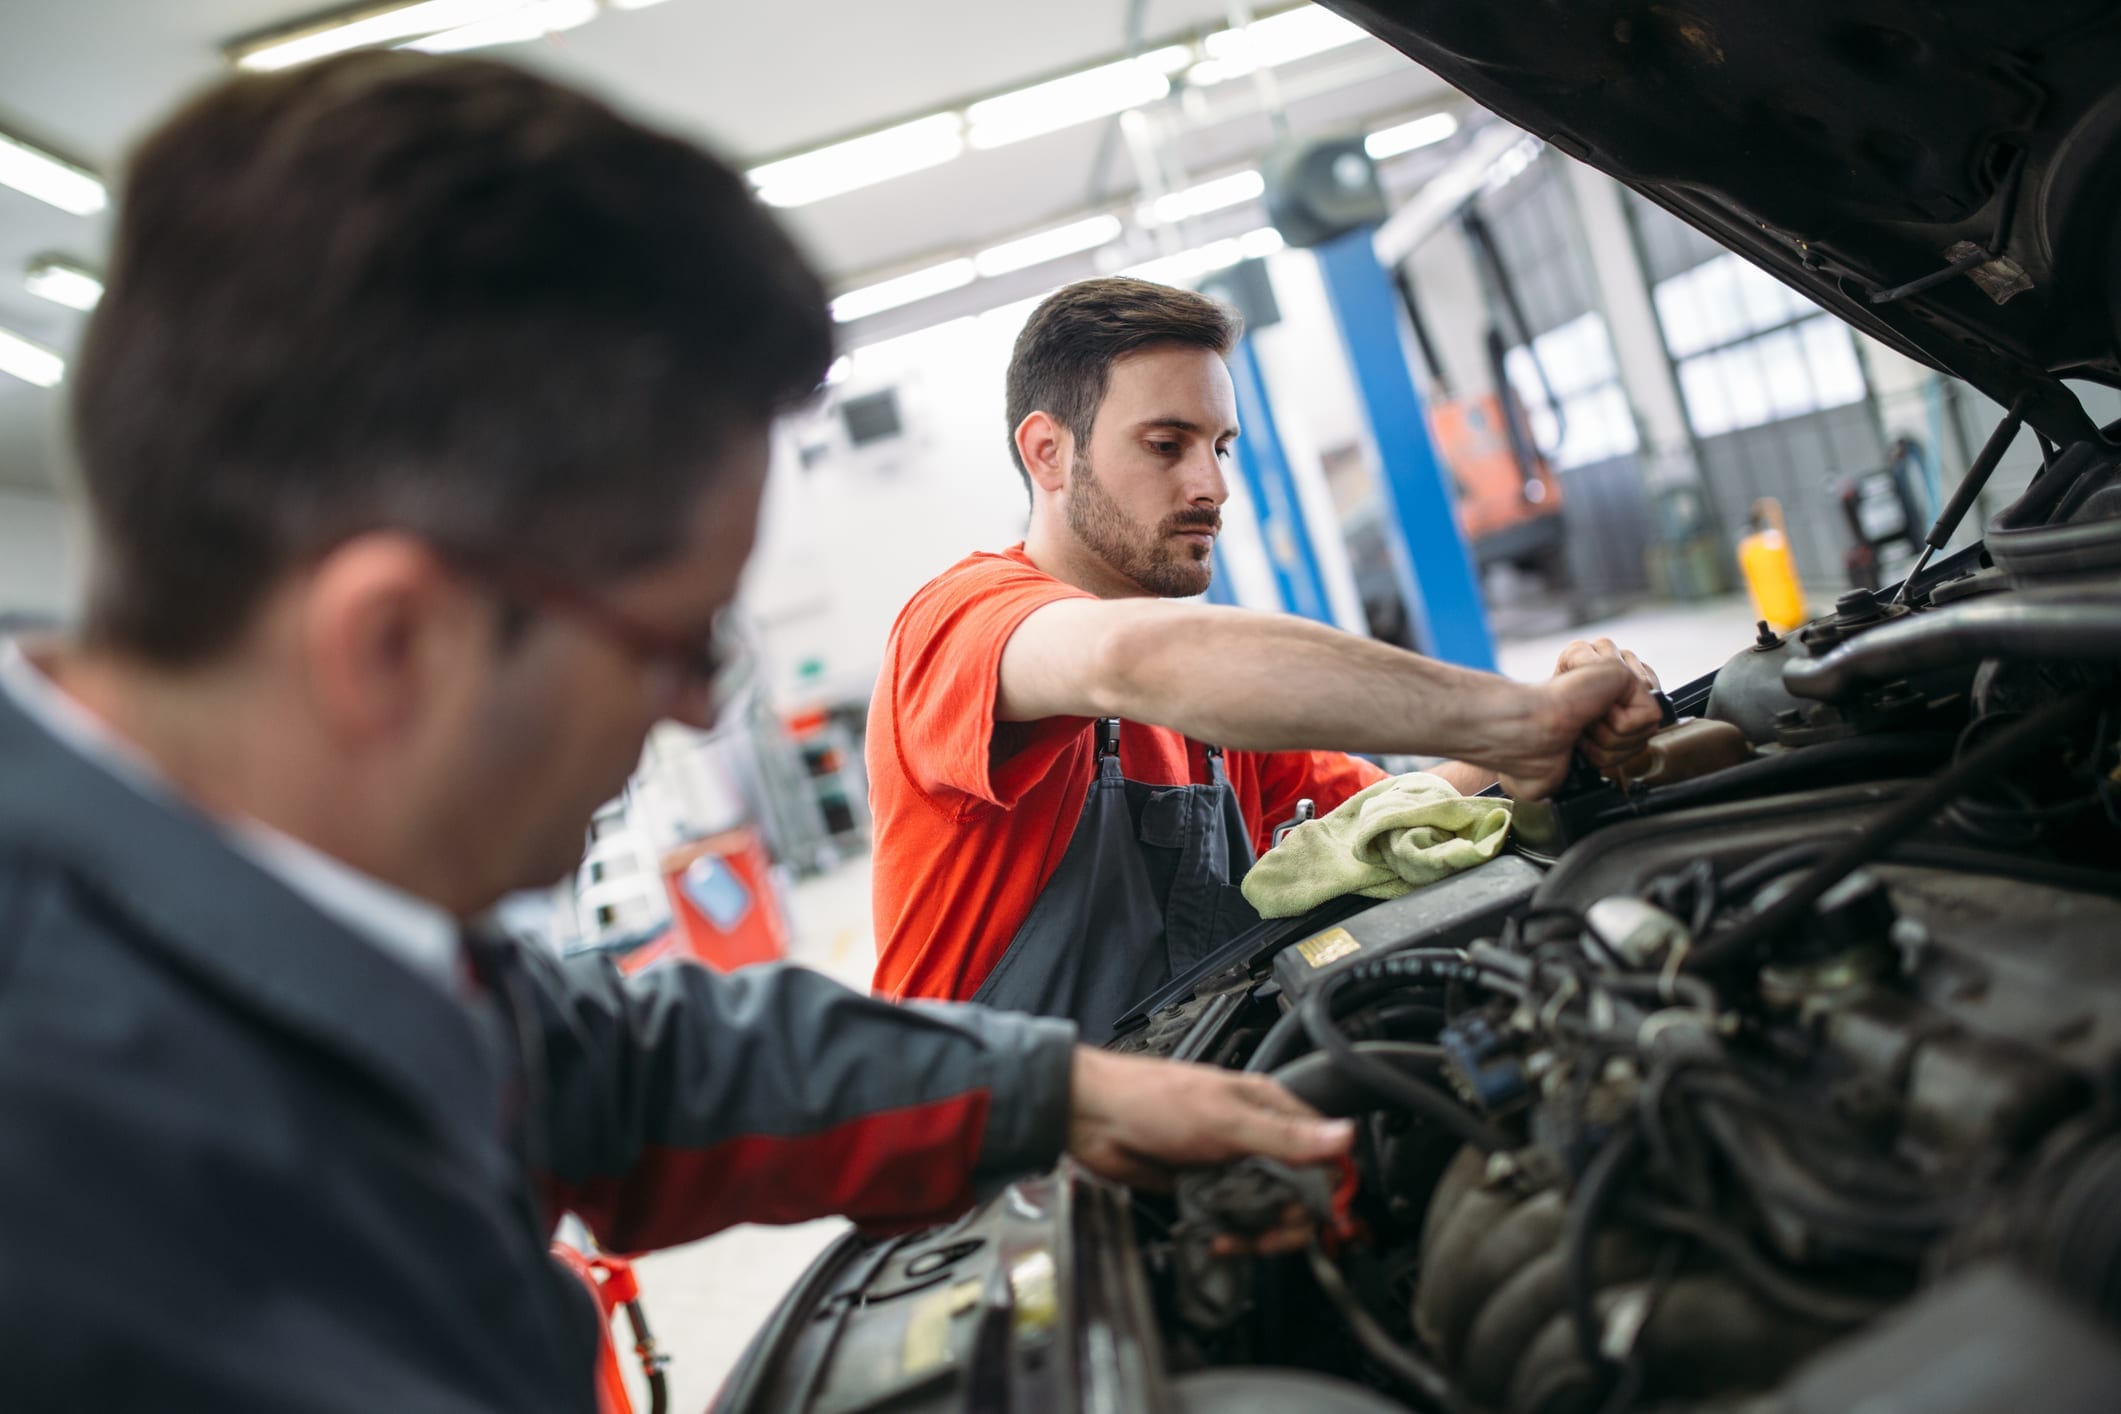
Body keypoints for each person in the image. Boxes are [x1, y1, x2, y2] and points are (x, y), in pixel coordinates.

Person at [0, 54, 1357, 1412]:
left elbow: (624, 1063)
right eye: (676, 639)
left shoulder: (291, 905)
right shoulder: (93, 1227)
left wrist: (1052, 1089)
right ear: (394, 643)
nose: (703, 712)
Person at [869, 278, 1661, 1038]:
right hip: (988, 1159)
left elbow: (1385, 815)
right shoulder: (961, 620)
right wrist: (1509, 719)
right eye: (1165, 444)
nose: (1211, 484)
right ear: (1048, 452)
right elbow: (1123, 660)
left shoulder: (1217, 713)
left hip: (1173, 1114)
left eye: (1219, 445)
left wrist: (1558, 726)